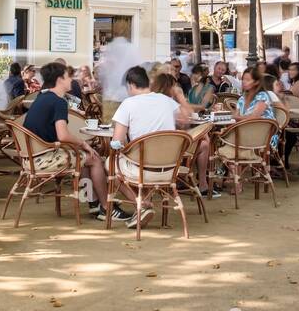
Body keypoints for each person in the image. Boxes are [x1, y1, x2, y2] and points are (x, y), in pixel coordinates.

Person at [24, 61, 116, 221]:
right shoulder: (59, 101)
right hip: (44, 159)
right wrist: (84, 143)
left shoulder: (43, 97)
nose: (71, 81)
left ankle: (93, 202)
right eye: (68, 77)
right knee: (94, 159)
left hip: (32, 157)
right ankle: (107, 207)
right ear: (60, 79)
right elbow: (63, 136)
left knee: (84, 158)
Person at [108, 66, 184, 226]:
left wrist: (124, 146)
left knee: (110, 162)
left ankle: (140, 203)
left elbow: (117, 142)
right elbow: (184, 122)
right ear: (147, 82)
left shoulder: (128, 104)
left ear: (130, 85)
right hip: (169, 168)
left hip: (142, 169)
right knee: (138, 159)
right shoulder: (168, 102)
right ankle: (142, 206)